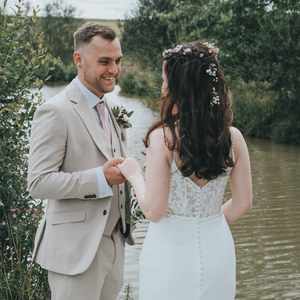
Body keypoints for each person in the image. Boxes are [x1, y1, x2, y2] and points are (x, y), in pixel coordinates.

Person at [118, 41, 253, 300]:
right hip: (218, 245)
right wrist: (208, 221)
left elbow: (154, 210)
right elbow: (243, 203)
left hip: (169, 248)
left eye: (165, 80)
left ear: (180, 89)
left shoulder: (164, 138)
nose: (162, 87)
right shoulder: (233, 138)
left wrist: (133, 173)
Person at [27, 23, 133, 300]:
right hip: (75, 253)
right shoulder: (55, 111)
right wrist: (100, 178)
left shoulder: (107, 108)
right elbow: (38, 183)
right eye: (104, 62)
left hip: (113, 246)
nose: (114, 70)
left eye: (118, 61)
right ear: (78, 59)